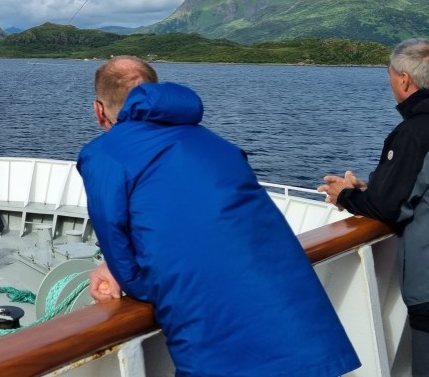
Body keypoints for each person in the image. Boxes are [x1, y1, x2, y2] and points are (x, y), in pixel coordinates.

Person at [77, 56, 359, 377]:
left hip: (215, 331)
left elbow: (122, 254)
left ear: (99, 111)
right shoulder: (215, 143)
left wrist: (128, 278)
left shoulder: (103, 153)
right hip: (301, 319)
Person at [320, 38, 429, 377]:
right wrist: (372, 189)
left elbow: (385, 207)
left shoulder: (413, 131)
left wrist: (345, 195)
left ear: (404, 80)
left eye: (390, 76)